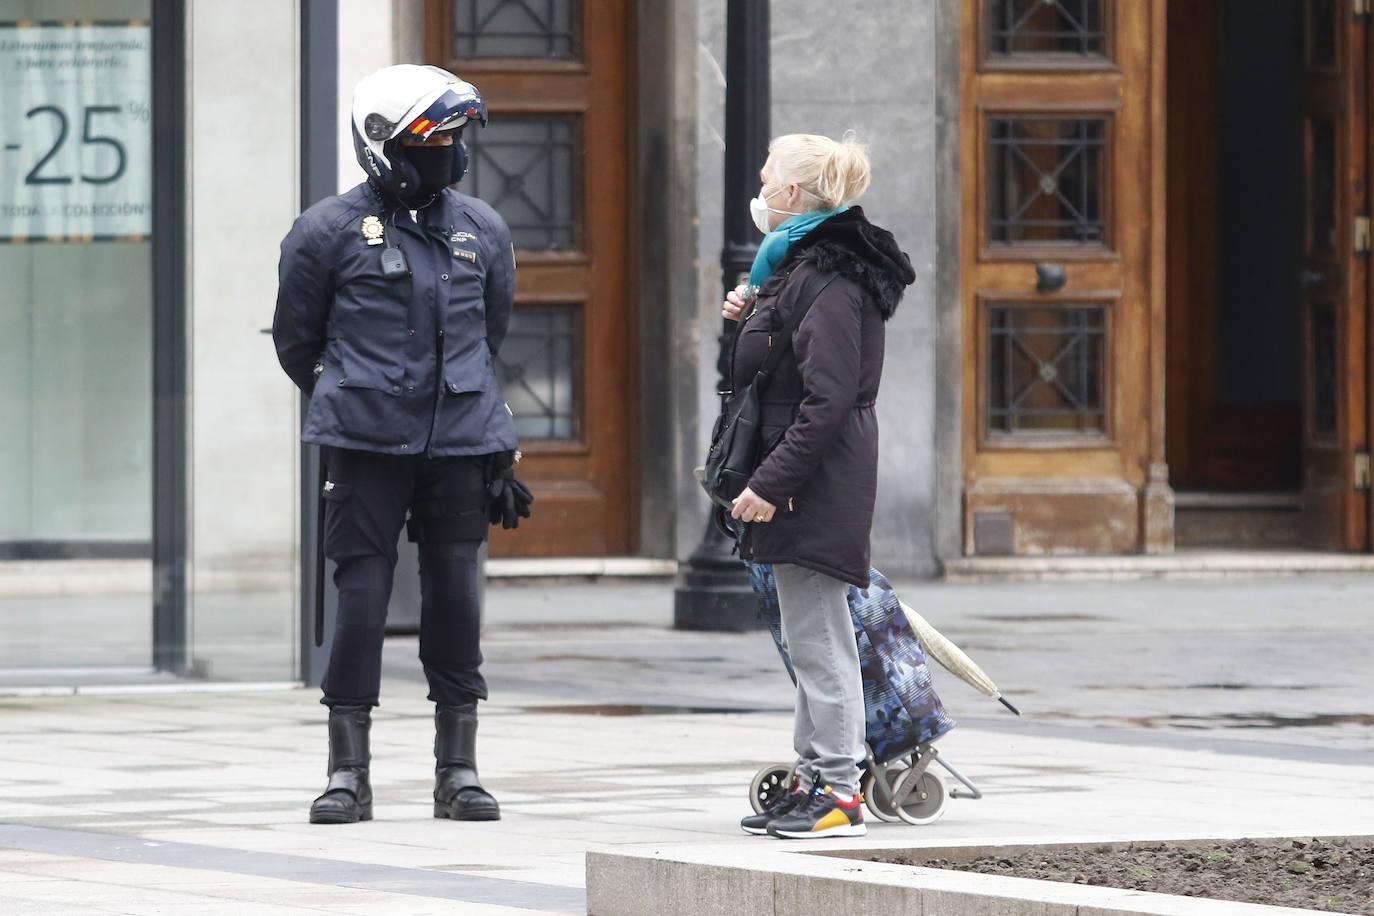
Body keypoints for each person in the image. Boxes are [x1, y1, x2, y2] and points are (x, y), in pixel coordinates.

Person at [273, 64, 531, 825]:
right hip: (364, 445)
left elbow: (491, 331)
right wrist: (358, 397)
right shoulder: (325, 230)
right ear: (388, 144)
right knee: (360, 601)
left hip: (460, 443)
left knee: (456, 600)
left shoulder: (481, 228)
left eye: (457, 138)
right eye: (438, 138)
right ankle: (347, 774)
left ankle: (459, 772)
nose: (453, 152)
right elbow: (297, 342)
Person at [723, 133, 915, 839]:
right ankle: (813, 779)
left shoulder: (827, 275)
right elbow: (772, 373)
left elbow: (827, 398)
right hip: (808, 474)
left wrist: (772, 483)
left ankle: (839, 792)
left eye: (768, 176)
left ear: (793, 196)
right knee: (810, 634)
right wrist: (748, 320)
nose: (761, 188)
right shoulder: (800, 267)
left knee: (819, 637)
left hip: (814, 479)